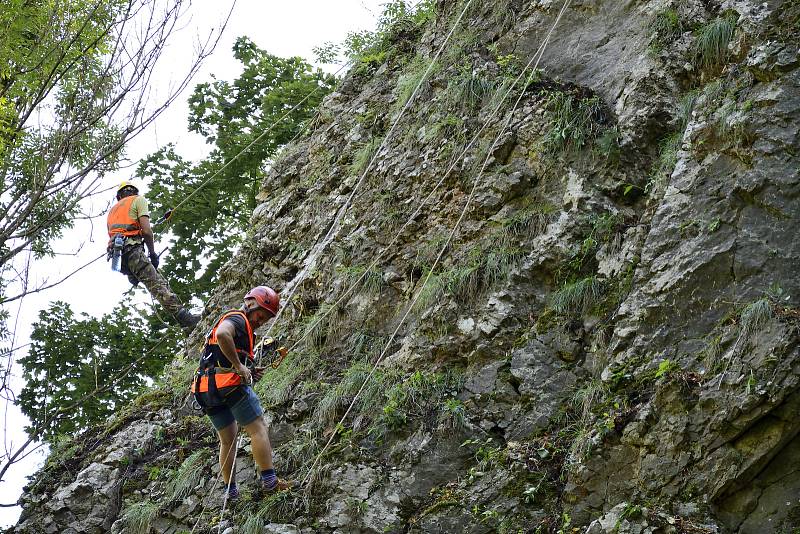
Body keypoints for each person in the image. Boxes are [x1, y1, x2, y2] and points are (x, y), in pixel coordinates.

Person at [191, 285, 290, 499]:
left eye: (265, 320)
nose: (260, 322)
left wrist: (250, 369)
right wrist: (239, 367)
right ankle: (270, 481)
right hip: (228, 384)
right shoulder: (237, 319)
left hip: (206, 390)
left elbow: (221, 354)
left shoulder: (243, 326)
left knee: (228, 440)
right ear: (251, 304)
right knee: (258, 428)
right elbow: (223, 335)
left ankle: (231, 492)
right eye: (260, 316)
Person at [106, 181, 199, 330]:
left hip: (119, 257)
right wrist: (153, 253)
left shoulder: (112, 211)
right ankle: (187, 320)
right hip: (132, 251)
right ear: (134, 192)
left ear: (119, 196)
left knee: (160, 281)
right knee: (158, 285)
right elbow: (147, 232)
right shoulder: (138, 200)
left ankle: (185, 323)